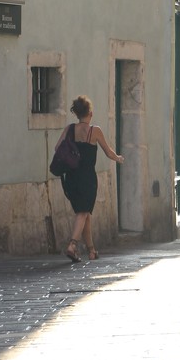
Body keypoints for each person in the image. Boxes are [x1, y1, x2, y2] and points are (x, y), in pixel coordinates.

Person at [55, 95, 124, 263]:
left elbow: (58, 147)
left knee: (85, 214)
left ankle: (92, 251)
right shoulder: (95, 130)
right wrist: (118, 158)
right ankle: (72, 245)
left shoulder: (69, 129)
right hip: (87, 178)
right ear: (90, 113)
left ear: (77, 113)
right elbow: (108, 152)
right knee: (83, 212)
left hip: (71, 177)